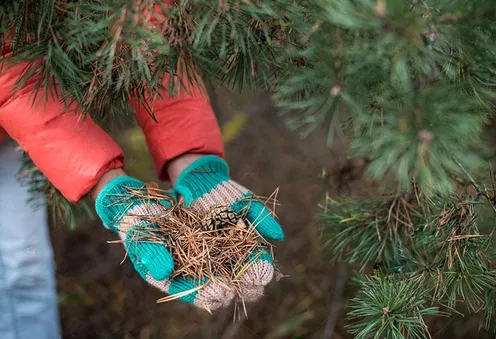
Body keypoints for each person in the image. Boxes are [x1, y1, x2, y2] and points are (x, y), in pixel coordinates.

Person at [0, 13, 284, 339]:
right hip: (17, 103)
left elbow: (149, 25)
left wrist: (191, 158)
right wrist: (104, 181)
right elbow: (10, 65)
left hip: (17, 128)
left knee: (24, 268)